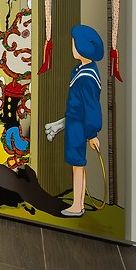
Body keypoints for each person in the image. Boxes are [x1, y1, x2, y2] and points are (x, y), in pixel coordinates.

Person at [47, 24, 104, 217]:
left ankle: (77, 206)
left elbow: (92, 107)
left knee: (77, 165)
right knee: (78, 165)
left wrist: (92, 133)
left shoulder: (87, 78)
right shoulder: (81, 70)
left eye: (74, 43)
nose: (72, 46)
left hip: (79, 127)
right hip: (74, 124)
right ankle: (79, 203)